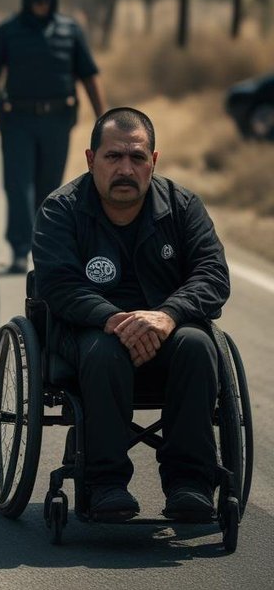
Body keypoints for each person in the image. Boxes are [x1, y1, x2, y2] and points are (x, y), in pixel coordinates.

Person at [33, 107, 229, 523]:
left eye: (137, 157)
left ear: (153, 162)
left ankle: (190, 484)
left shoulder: (183, 207)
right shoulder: (61, 210)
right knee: (105, 352)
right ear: (91, 160)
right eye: (113, 157)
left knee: (198, 343)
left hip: (168, 334)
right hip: (88, 334)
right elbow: (58, 284)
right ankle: (104, 484)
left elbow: (213, 276)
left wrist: (168, 316)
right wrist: (116, 321)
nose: (126, 168)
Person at [0, 0, 105, 274]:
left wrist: (104, 119)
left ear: (53, 1)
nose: (40, 7)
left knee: (49, 189)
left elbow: (88, 75)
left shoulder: (70, 31)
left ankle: (45, 248)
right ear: (26, 1)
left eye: (45, 1)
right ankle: (21, 248)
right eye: (35, 2)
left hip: (57, 121)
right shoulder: (7, 31)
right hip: (17, 120)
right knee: (17, 184)